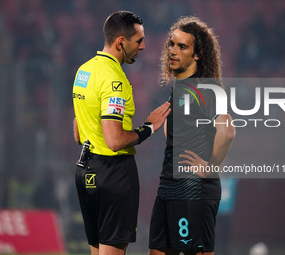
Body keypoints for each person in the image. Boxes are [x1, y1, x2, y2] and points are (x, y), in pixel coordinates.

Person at [72, 11, 170, 255]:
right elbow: (115, 141)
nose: (144, 46)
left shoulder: (84, 72)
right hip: (114, 174)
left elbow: (78, 133)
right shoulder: (114, 79)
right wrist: (148, 128)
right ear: (120, 42)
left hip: (86, 171)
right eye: (138, 41)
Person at [149, 16, 236, 255]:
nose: (173, 51)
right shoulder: (180, 89)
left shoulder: (206, 88)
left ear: (197, 55)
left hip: (192, 190)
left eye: (182, 46)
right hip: (168, 186)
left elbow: (227, 131)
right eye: (171, 44)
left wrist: (209, 168)